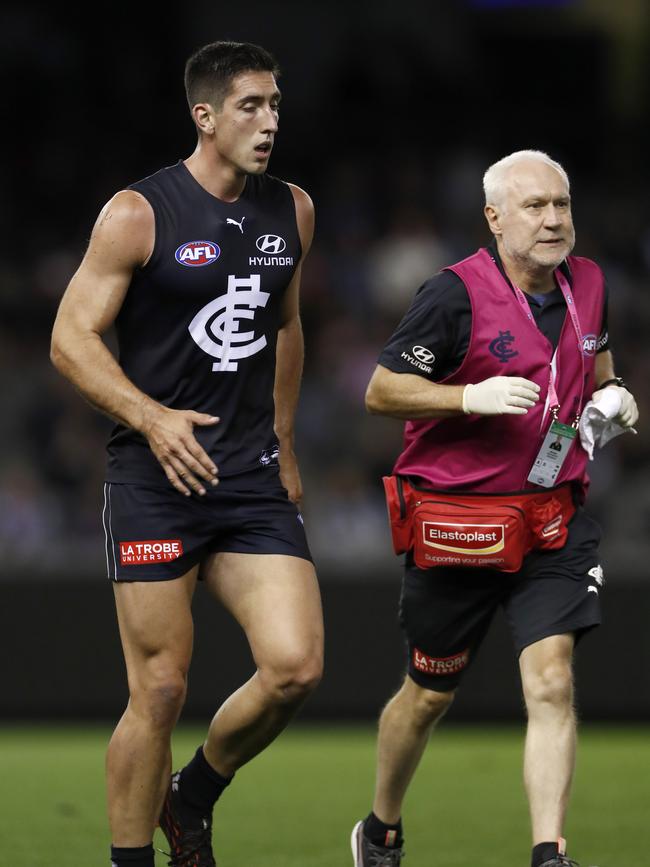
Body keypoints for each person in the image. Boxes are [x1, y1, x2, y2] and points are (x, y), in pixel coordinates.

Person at [50, 41, 323, 867]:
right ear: (204, 116)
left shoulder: (294, 210)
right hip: (154, 477)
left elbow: (286, 326)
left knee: (295, 667)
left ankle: (192, 794)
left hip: (247, 478)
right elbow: (70, 336)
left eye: (276, 104)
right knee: (160, 689)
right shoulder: (139, 212)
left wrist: (282, 440)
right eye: (251, 106)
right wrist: (152, 416)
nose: (270, 121)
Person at [351, 150, 638, 867]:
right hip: (460, 528)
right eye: (534, 206)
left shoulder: (590, 283)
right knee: (426, 696)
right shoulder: (452, 296)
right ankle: (381, 826)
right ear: (494, 217)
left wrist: (612, 398)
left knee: (551, 680)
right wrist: (464, 397)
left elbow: (596, 369)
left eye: (561, 205)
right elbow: (381, 391)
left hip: (550, 519)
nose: (552, 220)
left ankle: (549, 852)